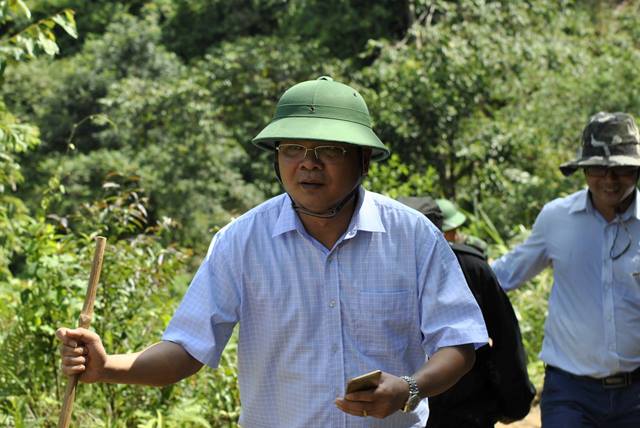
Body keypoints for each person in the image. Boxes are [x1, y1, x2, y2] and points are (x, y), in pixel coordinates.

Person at [57, 76, 488, 428]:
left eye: (330, 150)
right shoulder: (240, 241)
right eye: (293, 149)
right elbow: (187, 349)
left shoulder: (412, 237)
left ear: (364, 161)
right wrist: (107, 366)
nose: (308, 163)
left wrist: (409, 389)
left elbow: (458, 344)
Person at [492, 112, 640, 427]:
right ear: (584, 170)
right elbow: (504, 275)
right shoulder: (557, 219)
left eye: (622, 170)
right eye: (599, 168)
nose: (610, 180)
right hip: (571, 392)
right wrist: (456, 269)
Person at [399, 197, 535, 428]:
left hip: (464, 411)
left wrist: (515, 400)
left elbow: (504, 339)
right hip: (402, 411)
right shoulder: (372, 268)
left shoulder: (472, 269)